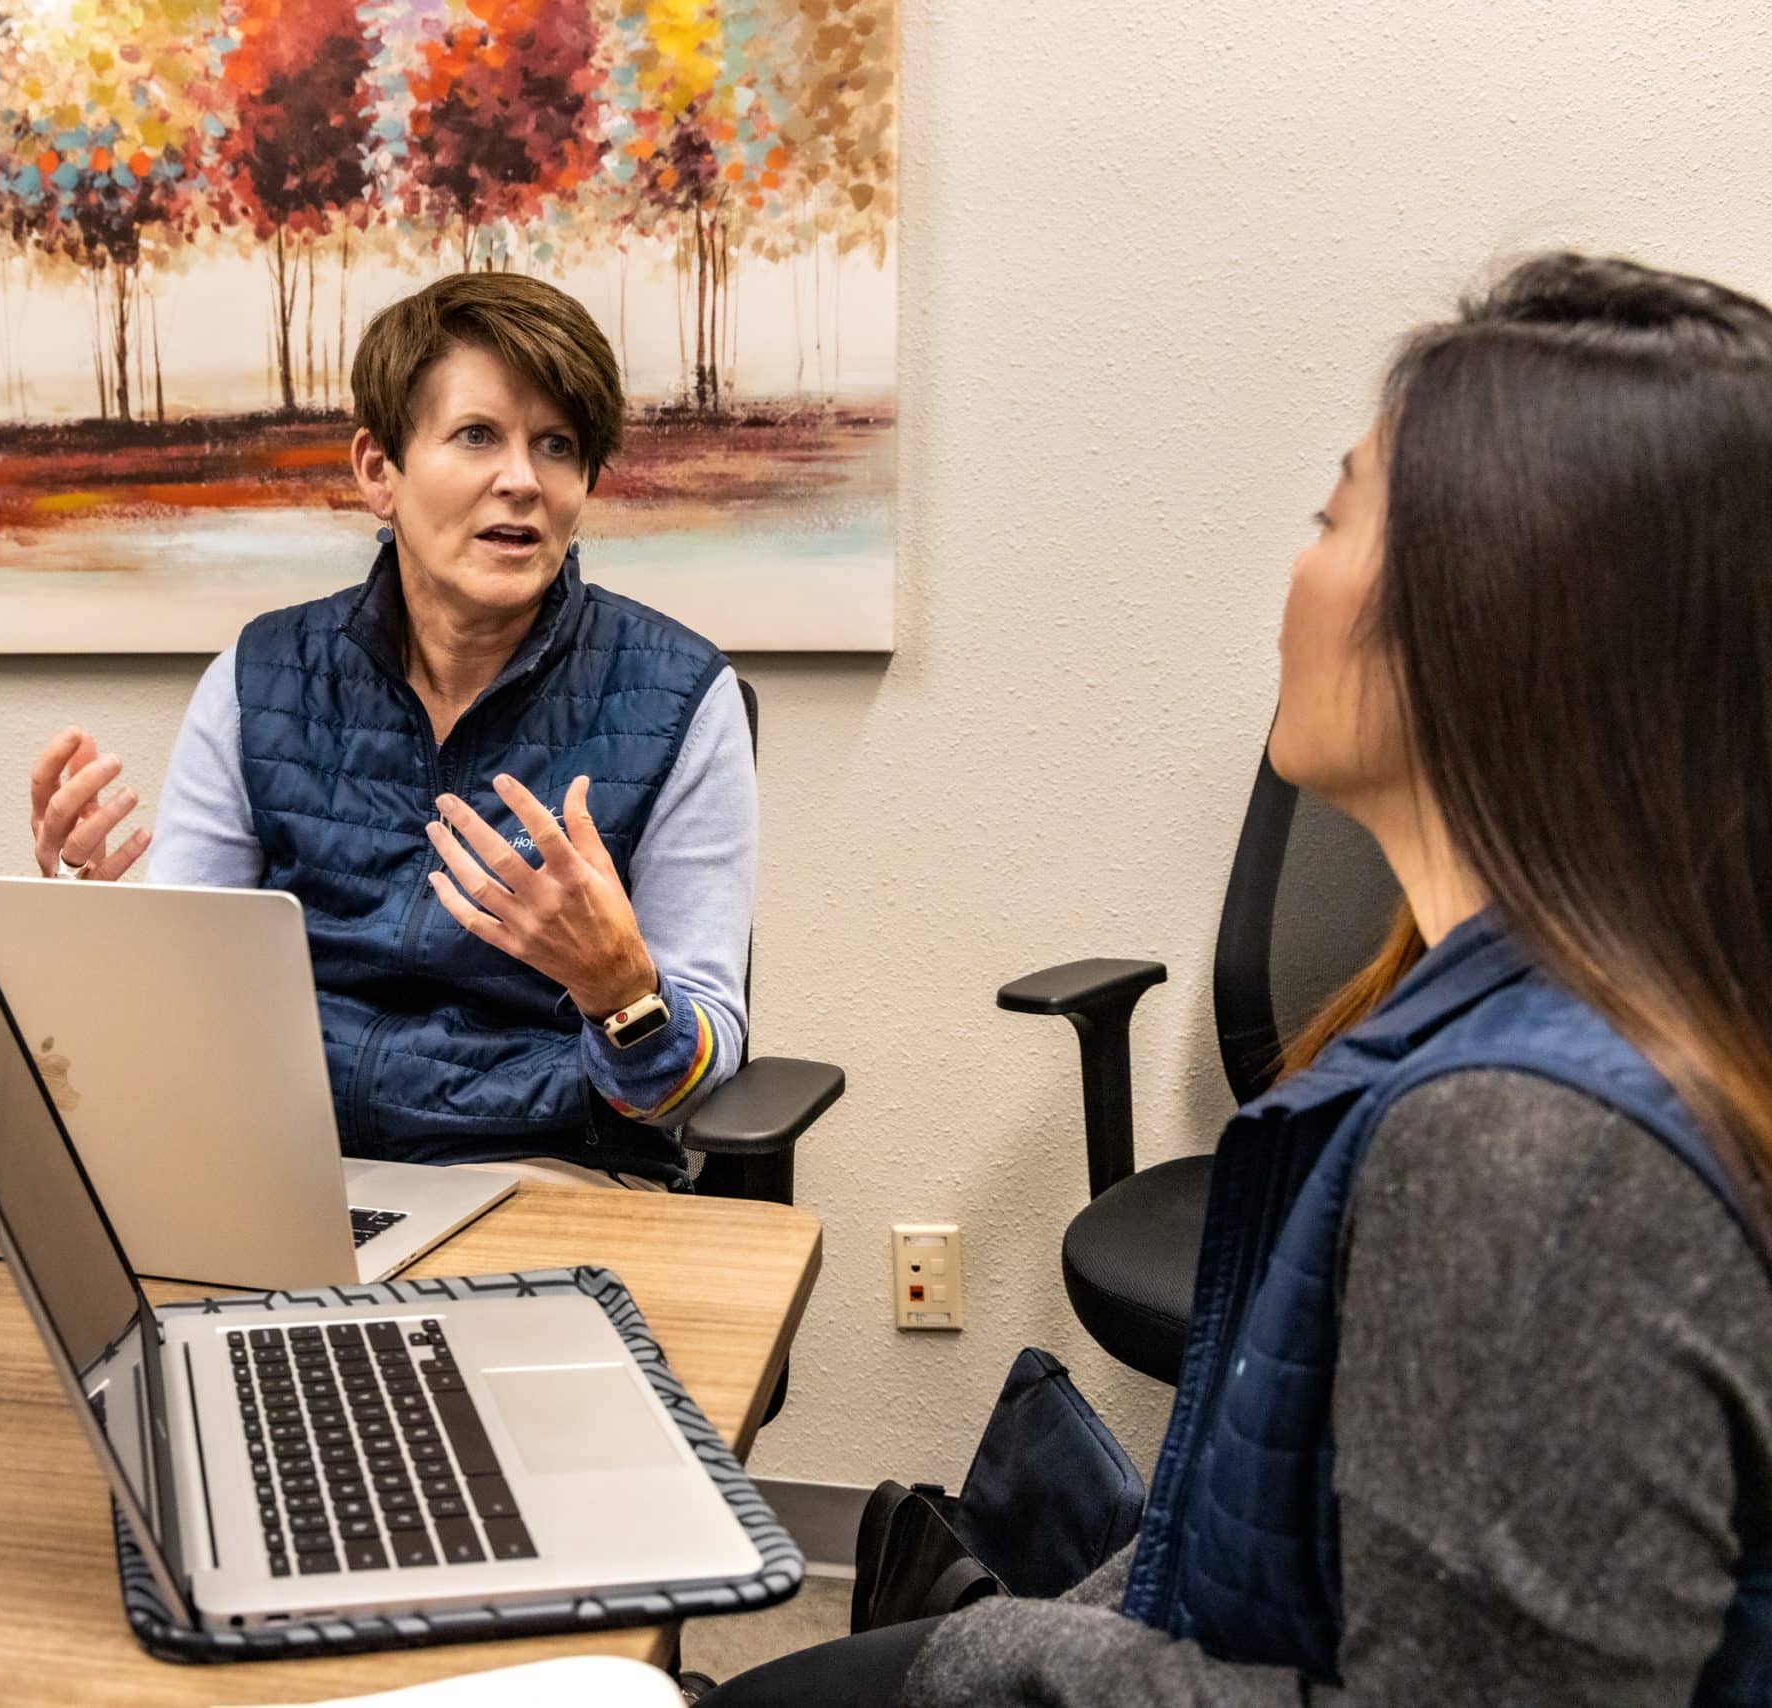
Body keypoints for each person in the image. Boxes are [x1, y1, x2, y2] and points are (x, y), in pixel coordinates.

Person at [703, 252, 1772, 1703]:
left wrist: (995, 1654)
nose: (1298, 568)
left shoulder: (1535, 1156)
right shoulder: (1483, 1002)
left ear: (1494, 611)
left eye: (1334, 516)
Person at [27, 272, 755, 1189]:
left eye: (558, 446)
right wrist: (85, 913)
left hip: (545, 1172)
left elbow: (688, 1086)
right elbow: (179, 1003)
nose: (522, 481)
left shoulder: (680, 697)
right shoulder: (259, 678)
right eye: (478, 436)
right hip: (278, 1166)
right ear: (380, 472)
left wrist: (622, 992)